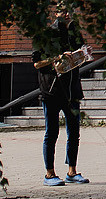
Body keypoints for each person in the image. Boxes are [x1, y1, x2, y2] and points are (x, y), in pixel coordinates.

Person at [33, 18, 90, 187]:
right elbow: (37, 63)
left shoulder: (74, 34)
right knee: (52, 133)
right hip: (51, 91)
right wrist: (57, 58)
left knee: (74, 132)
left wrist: (84, 54)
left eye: (68, 12)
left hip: (72, 91)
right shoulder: (45, 35)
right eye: (62, 11)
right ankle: (49, 174)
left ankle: (72, 172)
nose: (66, 15)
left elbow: (81, 52)